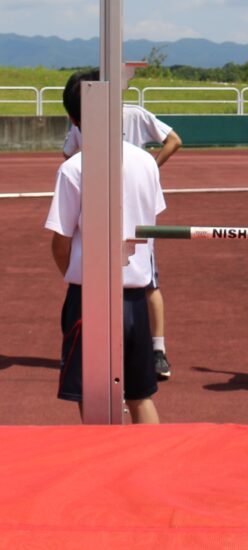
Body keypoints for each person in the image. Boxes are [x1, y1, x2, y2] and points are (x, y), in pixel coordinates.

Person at [45, 69, 166, 423]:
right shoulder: (146, 161)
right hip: (135, 297)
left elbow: (60, 241)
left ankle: (108, 475)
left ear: (72, 117)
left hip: (91, 297)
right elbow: (153, 215)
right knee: (142, 397)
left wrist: (77, 278)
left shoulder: (74, 169)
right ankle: (159, 473)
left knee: (94, 400)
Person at [63, 91, 181, 382]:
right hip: (101, 207)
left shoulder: (136, 114)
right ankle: (113, 350)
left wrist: (150, 166)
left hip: (132, 207)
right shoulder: (82, 126)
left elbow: (174, 140)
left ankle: (157, 349)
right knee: (109, 284)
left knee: (145, 282)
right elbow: (69, 155)